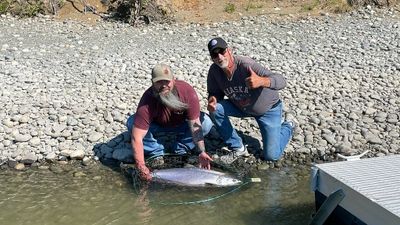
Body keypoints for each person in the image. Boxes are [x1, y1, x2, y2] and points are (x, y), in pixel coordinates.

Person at [206, 37, 296, 164]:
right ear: (211, 57)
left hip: (267, 110)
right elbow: (214, 93)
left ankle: (288, 125)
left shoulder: (246, 65)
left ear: (229, 50)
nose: (219, 57)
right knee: (216, 110)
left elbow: (281, 80)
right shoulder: (214, 71)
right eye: (215, 54)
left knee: (272, 156)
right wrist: (213, 100)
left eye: (222, 51)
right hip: (240, 106)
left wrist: (261, 81)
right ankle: (237, 147)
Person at [127, 63, 213, 181]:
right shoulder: (147, 100)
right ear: (152, 83)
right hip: (157, 126)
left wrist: (201, 151)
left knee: (206, 122)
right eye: (159, 82)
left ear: (174, 80)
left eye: (166, 82)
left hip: (182, 125)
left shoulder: (187, 91)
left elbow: (195, 124)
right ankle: (156, 152)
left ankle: (180, 148)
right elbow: (137, 137)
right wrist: (141, 166)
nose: (163, 86)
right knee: (132, 123)